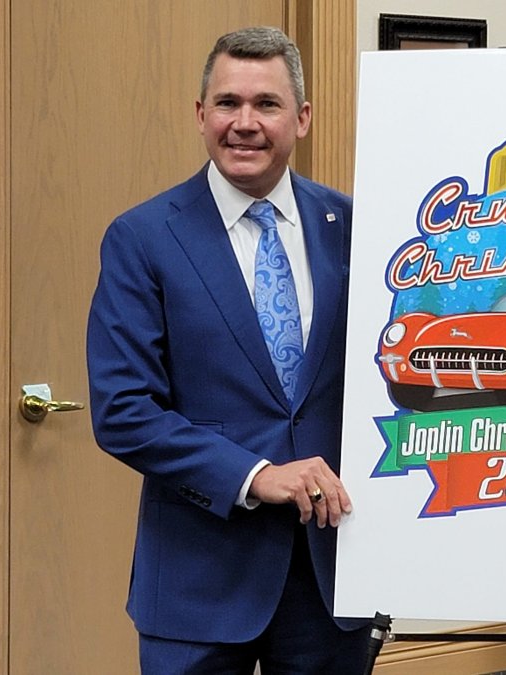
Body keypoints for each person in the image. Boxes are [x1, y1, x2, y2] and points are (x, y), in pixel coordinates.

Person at [87, 26, 369, 674]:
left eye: (266, 104)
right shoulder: (143, 238)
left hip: (331, 581)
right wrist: (255, 475)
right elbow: (124, 409)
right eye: (227, 103)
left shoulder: (354, 227)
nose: (245, 123)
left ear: (302, 118)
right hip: (198, 585)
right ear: (200, 114)